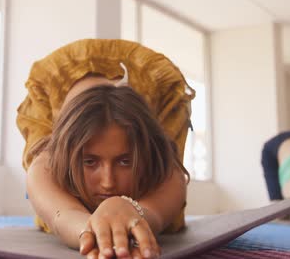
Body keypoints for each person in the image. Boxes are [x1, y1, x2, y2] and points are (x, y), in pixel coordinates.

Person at [18, 39, 195, 259]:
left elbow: (158, 211)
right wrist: (98, 235)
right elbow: (62, 216)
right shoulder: (46, 157)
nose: (108, 182)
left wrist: (131, 213)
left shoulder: (164, 104)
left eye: (125, 161)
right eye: (90, 161)